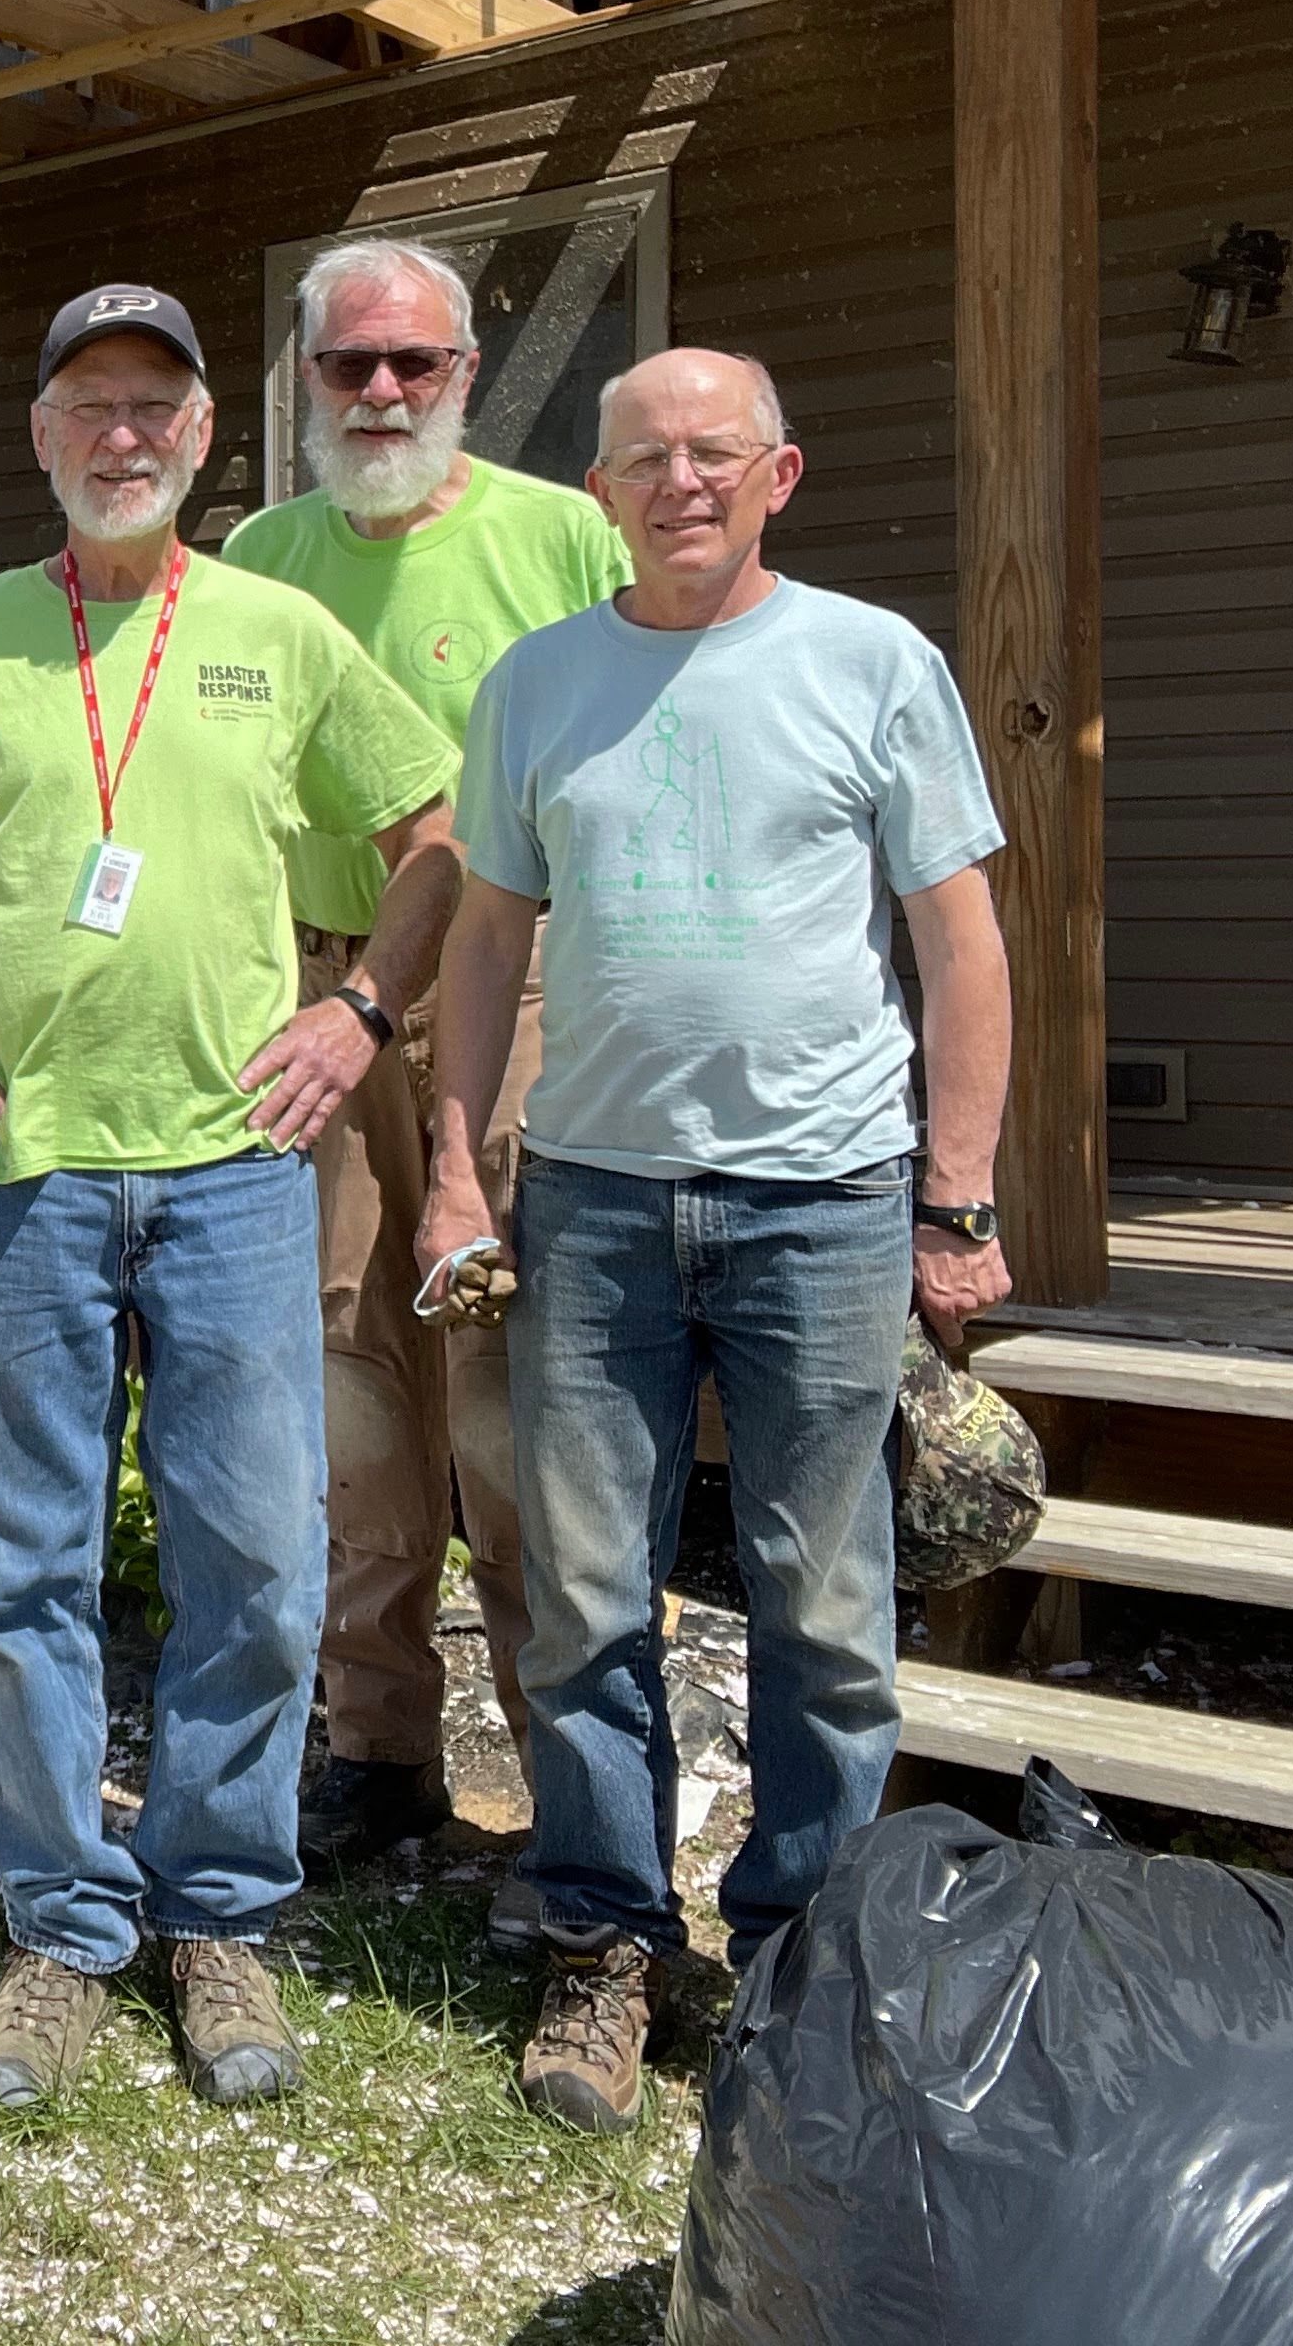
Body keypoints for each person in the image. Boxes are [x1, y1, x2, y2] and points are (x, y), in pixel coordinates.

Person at [0, 283, 462, 2117]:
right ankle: (66, 1927)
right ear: (44, 440)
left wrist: (360, 1009)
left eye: (158, 404)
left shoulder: (279, 632)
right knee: (27, 1570)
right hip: (19, 1173)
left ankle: (218, 1909)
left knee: (255, 1562)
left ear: (211, 437)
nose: (124, 436)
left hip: (232, 1169)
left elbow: (438, 833)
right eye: (91, 409)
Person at [414, 346, 1013, 2134]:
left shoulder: (872, 664)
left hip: (823, 1200)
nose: (679, 480)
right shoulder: (540, 686)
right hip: (592, 1199)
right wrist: (460, 1166)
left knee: (825, 1603)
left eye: (714, 453)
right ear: (597, 490)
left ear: (782, 473)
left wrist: (957, 1198)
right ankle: (606, 1944)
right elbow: (488, 946)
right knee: (585, 1599)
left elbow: (961, 944)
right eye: (642, 457)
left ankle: (799, 1951)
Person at [220, 238, 626, 1895]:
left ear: (469, 369)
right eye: (347, 366)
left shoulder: (561, 534)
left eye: (416, 365)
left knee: (511, 1383)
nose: (381, 393)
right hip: (315, 1004)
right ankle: (380, 1752)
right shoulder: (259, 549)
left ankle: (569, 1790)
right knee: (352, 1386)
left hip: (510, 995)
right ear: (301, 377)